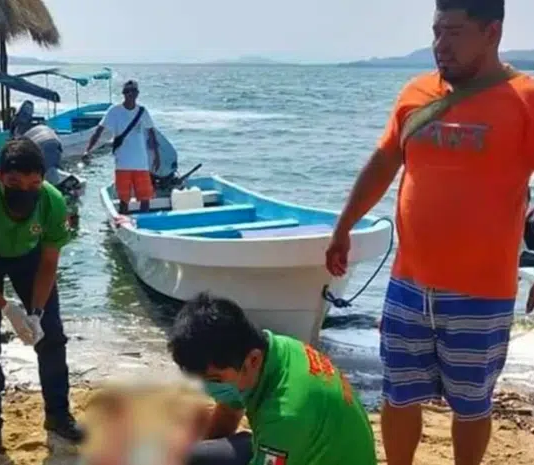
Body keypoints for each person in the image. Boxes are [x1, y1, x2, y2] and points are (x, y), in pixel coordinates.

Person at [325, 1, 534, 464]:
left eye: (454, 33)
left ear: (492, 32)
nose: (441, 46)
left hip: (482, 293)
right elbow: (383, 163)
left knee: (472, 402)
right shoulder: (416, 92)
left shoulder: (524, 99)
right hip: (408, 284)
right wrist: (344, 227)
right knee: (398, 394)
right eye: (437, 32)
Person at [0, 138, 84, 456]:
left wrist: (36, 311)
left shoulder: (53, 203)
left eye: (33, 183)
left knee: (50, 335)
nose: (24, 189)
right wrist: (6, 308)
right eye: (14, 182)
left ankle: (57, 414)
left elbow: (49, 262)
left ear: (42, 180)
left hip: (30, 258)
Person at [168, 293, 377, 465]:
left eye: (215, 379)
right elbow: (228, 412)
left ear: (253, 360)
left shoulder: (284, 413)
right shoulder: (275, 348)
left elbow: (282, 426)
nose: (210, 387)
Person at [84, 80, 161, 214]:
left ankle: (144, 224)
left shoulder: (142, 111)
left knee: (145, 198)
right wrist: (88, 150)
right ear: (123, 93)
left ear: (137, 94)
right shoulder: (115, 111)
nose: (130, 94)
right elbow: (99, 131)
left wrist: (157, 156)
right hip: (123, 163)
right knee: (124, 200)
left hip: (141, 163)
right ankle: (122, 223)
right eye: (127, 91)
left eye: (133, 91)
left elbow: (151, 134)